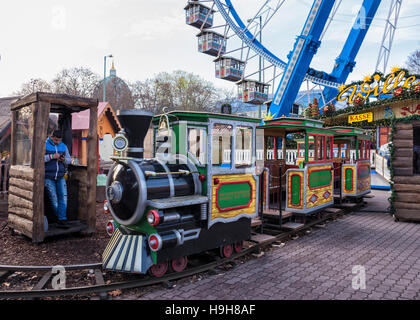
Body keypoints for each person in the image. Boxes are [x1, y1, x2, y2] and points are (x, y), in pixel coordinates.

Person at [44, 130, 71, 228]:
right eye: (56, 140)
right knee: (54, 199)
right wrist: (51, 156)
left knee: (63, 198)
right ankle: (60, 218)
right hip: (48, 176)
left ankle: (62, 220)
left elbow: (69, 160)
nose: (57, 142)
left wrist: (63, 160)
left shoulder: (63, 146)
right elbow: (39, 159)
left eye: (59, 140)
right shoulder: (44, 145)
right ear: (51, 137)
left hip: (60, 176)